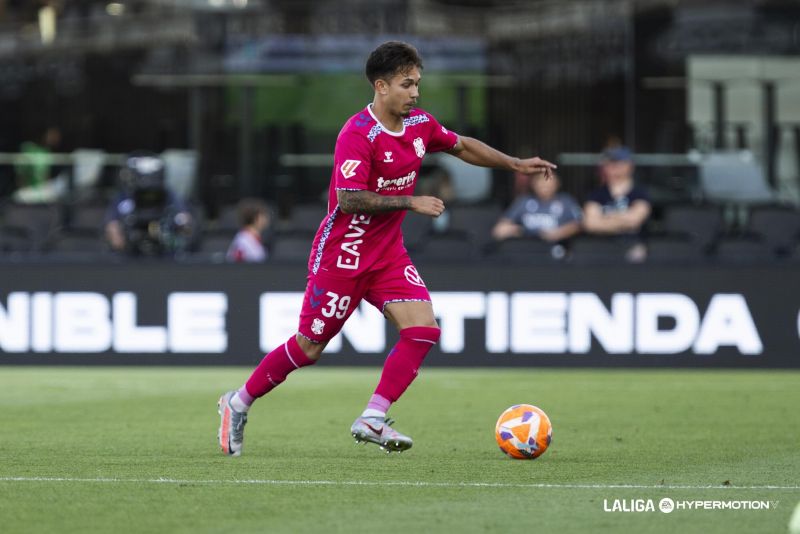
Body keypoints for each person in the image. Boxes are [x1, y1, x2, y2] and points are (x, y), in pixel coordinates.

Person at [217, 41, 556, 456]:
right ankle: (237, 403)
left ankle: (373, 416)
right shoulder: (357, 134)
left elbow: (462, 145)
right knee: (309, 346)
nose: (415, 92)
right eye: (406, 84)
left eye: (417, 83)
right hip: (344, 255)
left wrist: (515, 164)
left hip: (388, 254)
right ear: (381, 86)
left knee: (424, 329)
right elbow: (348, 198)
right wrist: (410, 201)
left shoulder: (419, 125)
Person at [104, 152, 193, 256]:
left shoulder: (169, 195)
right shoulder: (124, 196)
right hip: (130, 257)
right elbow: (112, 226)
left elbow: (185, 223)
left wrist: (177, 236)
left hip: (166, 257)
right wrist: (122, 242)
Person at [582, 146, 651, 262]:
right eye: (609, 163)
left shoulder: (639, 193)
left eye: (617, 163)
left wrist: (605, 217)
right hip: (600, 249)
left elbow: (635, 220)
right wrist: (623, 220)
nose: (612, 167)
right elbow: (590, 224)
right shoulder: (596, 195)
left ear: (630, 166)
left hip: (631, 248)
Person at [491, 171, 582, 246]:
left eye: (548, 180)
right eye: (540, 180)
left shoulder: (566, 201)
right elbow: (500, 229)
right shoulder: (523, 201)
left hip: (557, 249)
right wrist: (522, 231)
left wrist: (559, 233)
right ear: (533, 184)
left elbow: (579, 224)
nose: (544, 184)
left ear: (557, 183)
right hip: (527, 250)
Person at [226, 198, 270, 263]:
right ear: (256, 218)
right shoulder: (243, 240)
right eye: (264, 215)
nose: (267, 218)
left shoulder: (251, 238)